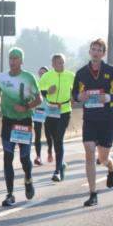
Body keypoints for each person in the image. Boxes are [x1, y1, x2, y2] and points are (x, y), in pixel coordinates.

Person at [72, 38, 113, 206]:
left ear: (103, 53)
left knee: (102, 158)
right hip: (90, 119)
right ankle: (93, 193)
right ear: (89, 52)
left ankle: (112, 166)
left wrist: (109, 97)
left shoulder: (111, 72)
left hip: (107, 119)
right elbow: (74, 94)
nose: (95, 52)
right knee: (89, 152)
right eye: (93, 49)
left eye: (99, 50)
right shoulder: (81, 73)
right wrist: (80, 97)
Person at [0, 47, 41, 206]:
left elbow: (39, 99)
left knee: (24, 158)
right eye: (11, 58)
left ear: (21, 61)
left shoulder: (28, 77)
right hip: (8, 121)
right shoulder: (1, 77)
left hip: (24, 121)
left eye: (15, 58)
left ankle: (28, 179)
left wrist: (26, 107)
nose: (12, 61)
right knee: (8, 158)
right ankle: (10, 194)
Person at [38, 53, 76, 182]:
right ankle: (62, 164)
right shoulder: (47, 76)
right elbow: (38, 92)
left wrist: (74, 97)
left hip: (64, 110)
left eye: (63, 62)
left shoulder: (70, 76)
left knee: (59, 139)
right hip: (51, 110)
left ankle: (57, 170)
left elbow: (78, 89)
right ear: (53, 64)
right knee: (54, 139)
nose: (61, 65)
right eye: (59, 63)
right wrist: (48, 91)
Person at [33, 66, 51, 166]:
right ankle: (38, 156)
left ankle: (50, 152)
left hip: (48, 111)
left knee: (49, 134)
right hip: (38, 111)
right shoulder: (36, 84)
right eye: (41, 73)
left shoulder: (51, 84)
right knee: (38, 135)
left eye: (44, 73)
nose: (42, 75)